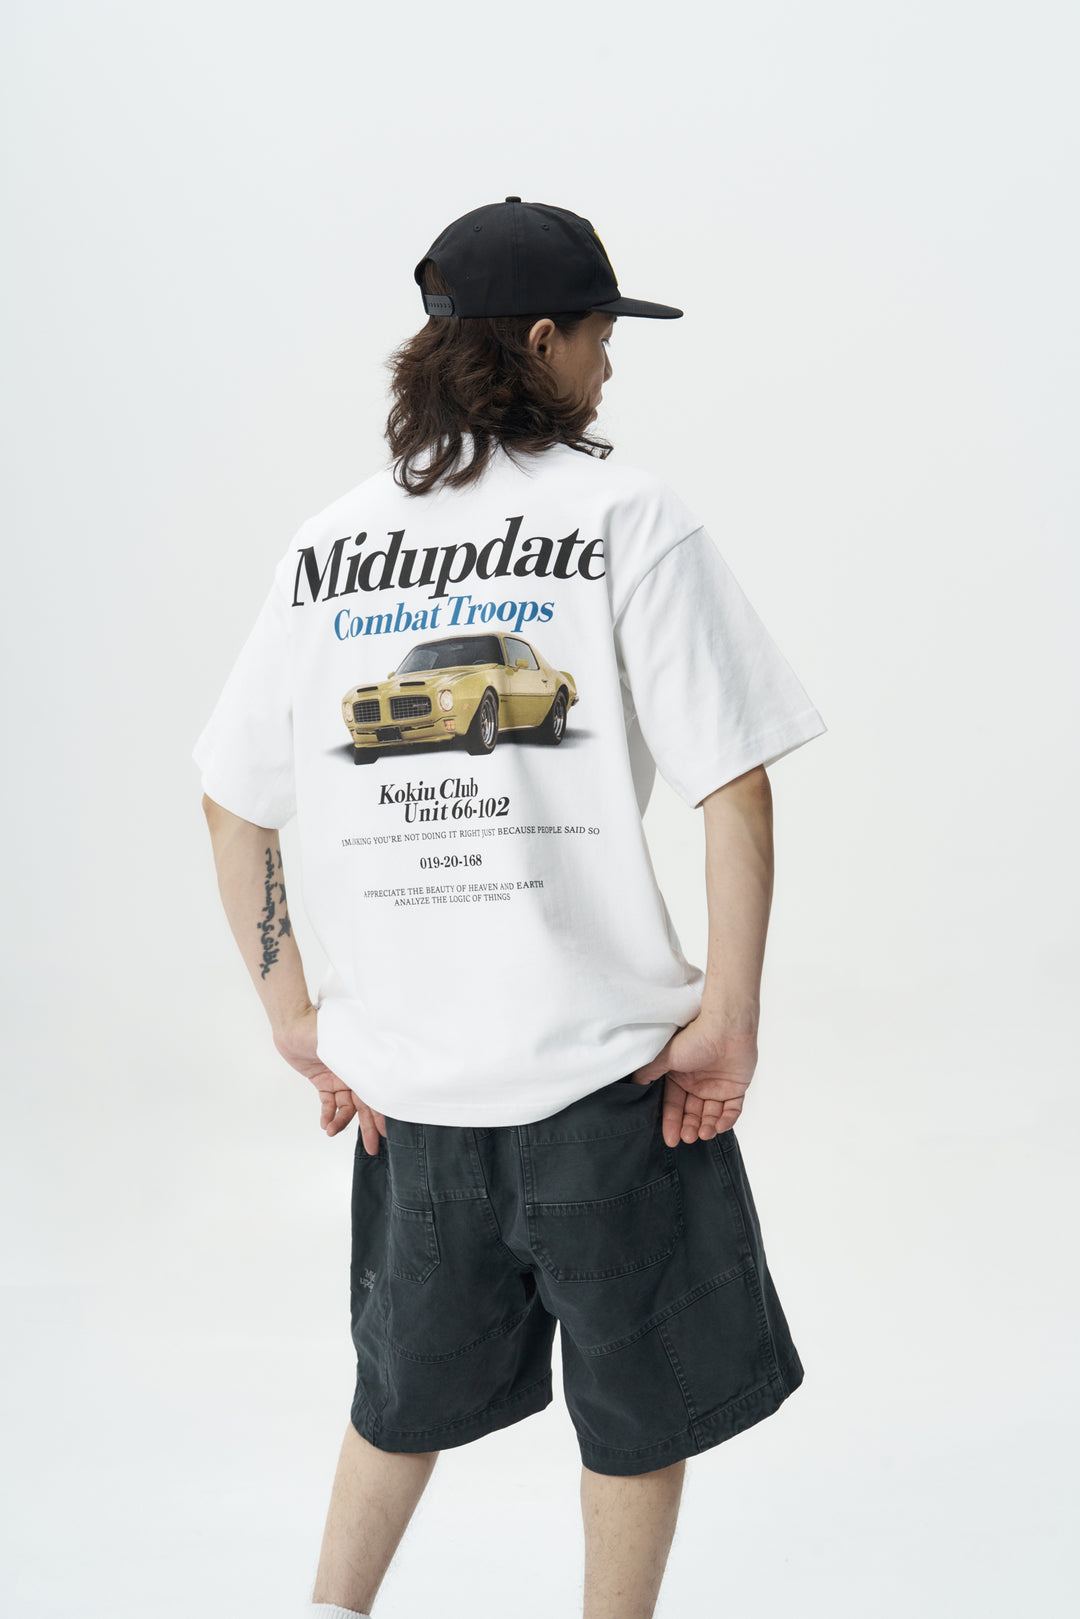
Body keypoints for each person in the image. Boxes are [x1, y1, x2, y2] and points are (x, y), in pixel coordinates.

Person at [194, 196, 828, 1619]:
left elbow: (233, 801)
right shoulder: (628, 516)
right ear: (542, 340)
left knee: (397, 1398)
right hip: (608, 1090)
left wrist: (298, 1020)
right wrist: (728, 1018)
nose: (610, 364)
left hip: (412, 1104)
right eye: (600, 334)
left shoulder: (330, 544)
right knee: (637, 1415)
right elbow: (735, 786)